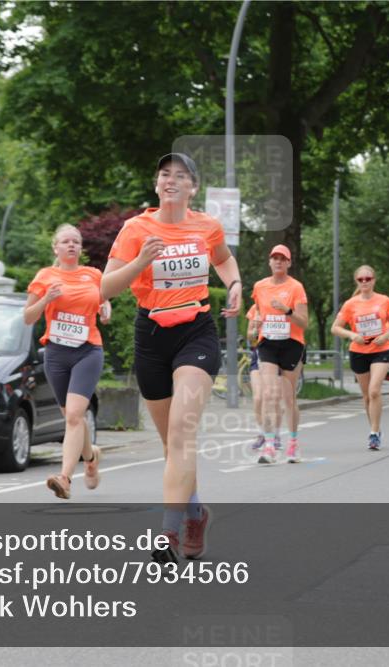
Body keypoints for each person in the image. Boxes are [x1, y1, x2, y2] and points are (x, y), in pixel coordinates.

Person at [101, 153, 241, 562]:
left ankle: (168, 532)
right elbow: (105, 288)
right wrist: (141, 261)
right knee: (171, 444)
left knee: (182, 432)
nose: (172, 180)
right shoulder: (136, 229)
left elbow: (223, 259)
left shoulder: (207, 226)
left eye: (181, 175)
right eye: (165, 174)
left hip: (196, 332)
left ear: (193, 187)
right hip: (151, 336)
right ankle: (195, 514)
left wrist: (234, 284)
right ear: (156, 184)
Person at [25, 224, 109, 499]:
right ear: (56, 248)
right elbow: (28, 317)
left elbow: (104, 300)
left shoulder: (93, 275)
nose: (71, 245)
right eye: (65, 241)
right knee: (72, 416)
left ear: (80, 248)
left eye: (76, 241)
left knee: (73, 415)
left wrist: (105, 309)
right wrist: (46, 300)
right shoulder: (45, 276)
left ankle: (65, 478)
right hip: (57, 353)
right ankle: (91, 458)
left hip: (88, 351)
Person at [250, 245, 309, 463]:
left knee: (288, 397)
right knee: (269, 394)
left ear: (289, 263)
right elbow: (258, 311)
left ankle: (293, 443)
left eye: (282, 259)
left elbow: (304, 322)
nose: (278, 262)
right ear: (269, 262)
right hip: (268, 343)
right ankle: (269, 446)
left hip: (292, 344)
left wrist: (287, 310)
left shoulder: (296, 287)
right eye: (274, 258)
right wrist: (256, 324)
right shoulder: (260, 286)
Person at [331, 265, 389, 450]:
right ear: (357, 282)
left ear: (374, 280)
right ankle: (375, 428)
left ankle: (374, 433)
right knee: (367, 396)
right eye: (361, 279)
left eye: (368, 279)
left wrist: (384, 336)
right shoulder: (350, 304)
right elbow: (335, 328)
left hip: (381, 349)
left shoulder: (384, 300)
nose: (364, 282)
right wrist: (352, 335)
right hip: (359, 352)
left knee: (374, 390)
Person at [245, 304, 267, 452]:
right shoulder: (255, 308)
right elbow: (249, 335)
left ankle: (274, 433)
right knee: (258, 397)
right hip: (258, 354)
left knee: (271, 398)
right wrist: (255, 330)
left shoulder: (283, 304)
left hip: (278, 354)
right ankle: (261, 433)